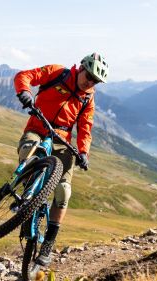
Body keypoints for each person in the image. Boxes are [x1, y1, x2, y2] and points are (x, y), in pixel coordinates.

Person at [13, 53, 109, 267]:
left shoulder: (88, 99)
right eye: (89, 76)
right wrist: (24, 92)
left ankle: (48, 245)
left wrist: (83, 152)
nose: (91, 82)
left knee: (64, 190)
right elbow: (25, 76)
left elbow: (85, 128)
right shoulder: (57, 73)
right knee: (30, 149)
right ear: (81, 68)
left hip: (62, 139)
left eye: (96, 81)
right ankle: (27, 195)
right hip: (37, 128)